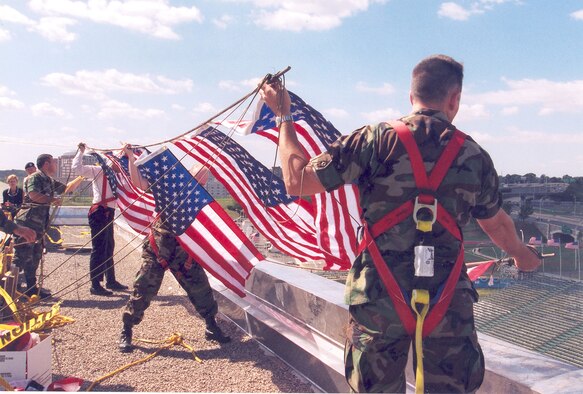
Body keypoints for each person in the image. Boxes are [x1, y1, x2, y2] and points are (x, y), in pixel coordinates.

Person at [260, 54, 541, 393]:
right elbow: (495, 224)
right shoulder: (474, 155)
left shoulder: (373, 140)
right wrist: (524, 256)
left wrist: (284, 115)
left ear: (412, 96)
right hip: (446, 299)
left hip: (379, 298)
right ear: (455, 99)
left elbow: (297, 182)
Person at [118, 144, 230, 353]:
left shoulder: (202, 198)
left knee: (201, 289)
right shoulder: (171, 188)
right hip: (158, 249)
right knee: (143, 290)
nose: (202, 180)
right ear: (190, 175)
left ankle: (211, 326)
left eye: (205, 177)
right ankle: (127, 328)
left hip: (183, 253)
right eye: (199, 176)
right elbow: (139, 183)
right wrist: (131, 157)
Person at [12, 154, 79, 299]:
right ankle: (10, 289)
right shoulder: (35, 177)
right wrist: (52, 199)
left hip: (38, 225)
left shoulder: (48, 179)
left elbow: (66, 188)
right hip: (27, 223)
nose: (56, 164)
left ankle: (31, 288)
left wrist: (81, 177)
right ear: (47, 163)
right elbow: (34, 195)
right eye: (54, 162)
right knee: (21, 256)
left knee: (34, 257)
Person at [71, 143, 128, 296]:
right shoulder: (99, 171)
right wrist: (81, 152)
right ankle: (95, 285)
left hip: (108, 211)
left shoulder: (116, 176)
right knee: (99, 248)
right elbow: (77, 169)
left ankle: (111, 280)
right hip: (99, 212)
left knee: (109, 246)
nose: (122, 165)